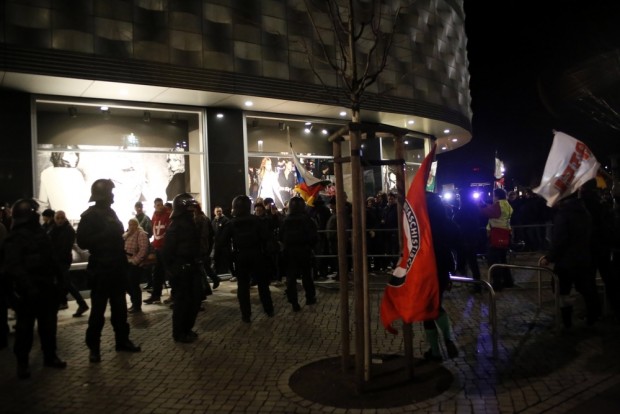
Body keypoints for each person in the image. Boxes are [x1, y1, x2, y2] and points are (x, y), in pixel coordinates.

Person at [0, 199, 67, 379]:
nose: (37, 215)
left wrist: (60, 281)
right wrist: (27, 288)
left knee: (48, 327)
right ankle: (22, 363)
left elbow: (51, 259)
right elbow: (13, 267)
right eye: (34, 212)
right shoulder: (14, 238)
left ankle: (50, 356)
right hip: (27, 291)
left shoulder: (40, 233)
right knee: (24, 330)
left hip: (45, 287)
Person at [76, 179, 141, 363]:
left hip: (116, 268)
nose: (113, 195)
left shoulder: (111, 213)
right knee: (98, 312)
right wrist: (105, 234)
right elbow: (82, 241)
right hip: (101, 269)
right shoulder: (89, 216)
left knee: (120, 309)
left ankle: (122, 341)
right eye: (110, 192)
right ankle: (94, 348)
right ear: (103, 195)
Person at [540, 189, 601, 328]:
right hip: (584, 258)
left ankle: (567, 322)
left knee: (562, 290)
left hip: (566, 261)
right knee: (585, 289)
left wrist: (549, 257)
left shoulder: (563, 214)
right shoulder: (585, 212)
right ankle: (592, 317)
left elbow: (560, 240)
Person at [217, 195, 274, 322]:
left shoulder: (231, 223)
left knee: (243, 287)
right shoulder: (256, 220)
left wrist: (231, 256)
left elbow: (221, 242)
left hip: (240, 255)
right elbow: (266, 237)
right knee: (262, 285)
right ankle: (268, 309)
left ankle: (246, 315)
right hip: (256, 254)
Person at [423, 192, 460, 362]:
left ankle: (435, 351)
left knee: (427, 310)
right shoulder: (447, 223)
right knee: (437, 304)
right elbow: (458, 244)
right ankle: (448, 338)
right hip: (443, 268)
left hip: (426, 269)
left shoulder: (423, 225)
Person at [163, 193, 204, 343]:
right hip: (181, 269)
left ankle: (186, 329)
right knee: (182, 303)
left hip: (191, 266)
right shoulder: (175, 226)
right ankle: (179, 332)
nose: (192, 209)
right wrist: (173, 270)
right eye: (189, 206)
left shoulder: (190, 223)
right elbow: (167, 251)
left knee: (194, 300)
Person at [279, 197, 319, 311]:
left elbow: (280, 236)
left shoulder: (285, 220)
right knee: (307, 276)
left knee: (291, 278)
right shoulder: (307, 220)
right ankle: (310, 297)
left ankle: (294, 302)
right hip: (304, 251)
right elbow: (314, 236)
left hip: (289, 252)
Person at [50, 210, 90, 317]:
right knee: (64, 283)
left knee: (65, 283)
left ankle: (81, 303)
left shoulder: (67, 230)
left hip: (62, 261)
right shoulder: (55, 229)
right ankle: (77, 303)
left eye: (62, 218)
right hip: (58, 261)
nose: (59, 220)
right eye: (57, 218)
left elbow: (64, 248)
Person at [38, 149, 88, 222]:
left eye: (76, 154)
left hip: (60, 220)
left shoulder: (45, 173)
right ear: (59, 154)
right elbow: (85, 201)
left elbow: (42, 204)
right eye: (71, 153)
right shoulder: (76, 173)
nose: (76, 157)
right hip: (74, 219)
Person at [479, 188, 514, 290]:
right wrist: (484, 204)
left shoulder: (499, 205)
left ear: (497, 196)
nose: (493, 197)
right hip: (505, 234)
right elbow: (493, 210)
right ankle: (508, 281)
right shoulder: (506, 204)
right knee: (503, 260)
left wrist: (480, 205)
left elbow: (487, 212)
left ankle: (497, 284)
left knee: (493, 261)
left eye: (494, 195)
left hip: (496, 235)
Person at [453, 189, 483, 292]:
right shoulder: (474, 207)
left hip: (465, 238)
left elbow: (456, 219)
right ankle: (475, 284)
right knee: (472, 262)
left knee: (468, 262)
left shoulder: (464, 208)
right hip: (473, 237)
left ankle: (473, 284)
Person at [144, 197, 171, 305]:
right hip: (157, 248)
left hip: (165, 248)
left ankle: (174, 296)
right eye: (157, 205)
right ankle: (156, 296)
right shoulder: (154, 216)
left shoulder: (168, 215)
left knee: (169, 273)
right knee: (157, 273)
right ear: (154, 206)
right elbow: (154, 229)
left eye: (161, 204)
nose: (159, 207)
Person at [123, 217, 149, 314]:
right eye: (130, 224)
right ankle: (134, 302)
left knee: (134, 284)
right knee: (127, 284)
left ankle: (137, 305)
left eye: (133, 224)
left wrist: (135, 261)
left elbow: (143, 249)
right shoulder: (127, 234)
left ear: (137, 225)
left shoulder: (141, 234)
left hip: (135, 263)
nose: (131, 226)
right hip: (126, 262)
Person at [194, 202, 220, 291]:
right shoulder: (203, 218)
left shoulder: (200, 219)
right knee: (204, 266)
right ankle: (214, 280)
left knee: (202, 267)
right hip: (204, 246)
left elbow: (203, 235)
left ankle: (207, 287)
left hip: (201, 247)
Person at [211, 206, 230, 276]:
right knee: (217, 260)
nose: (219, 213)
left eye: (220, 211)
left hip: (224, 246)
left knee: (224, 260)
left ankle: (224, 273)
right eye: (217, 211)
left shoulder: (225, 220)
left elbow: (225, 234)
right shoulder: (213, 221)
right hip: (216, 245)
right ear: (214, 212)